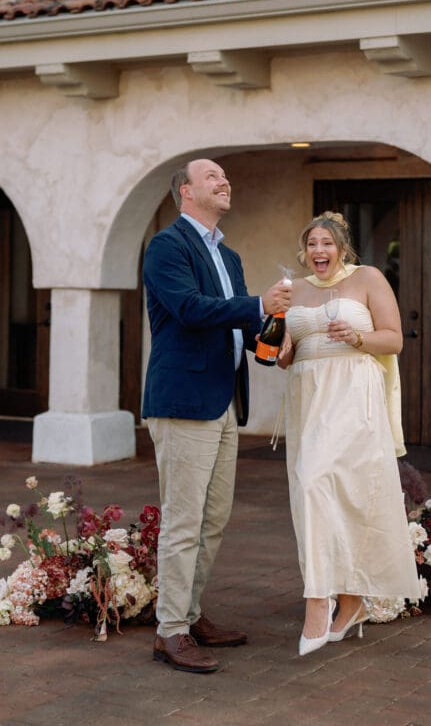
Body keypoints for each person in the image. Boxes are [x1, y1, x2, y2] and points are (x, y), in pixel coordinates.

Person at [142, 157, 292, 673]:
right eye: (212, 177)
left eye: (226, 175)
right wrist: (257, 305)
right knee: (183, 521)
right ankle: (170, 632)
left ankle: (189, 612)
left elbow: (241, 329)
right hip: (184, 402)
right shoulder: (166, 247)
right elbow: (189, 309)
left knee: (213, 518)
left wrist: (274, 342)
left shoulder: (228, 256)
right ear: (185, 192)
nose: (224, 180)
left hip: (224, 401)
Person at [277, 211, 420, 656]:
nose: (319, 251)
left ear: (342, 247)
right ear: (305, 250)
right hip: (308, 397)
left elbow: (393, 339)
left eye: (327, 243)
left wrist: (358, 339)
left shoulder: (368, 278)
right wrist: (282, 350)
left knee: (332, 485)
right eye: (312, 244)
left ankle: (318, 601)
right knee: (312, 490)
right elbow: (285, 353)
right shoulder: (294, 290)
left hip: (353, 394)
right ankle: (353, 602)